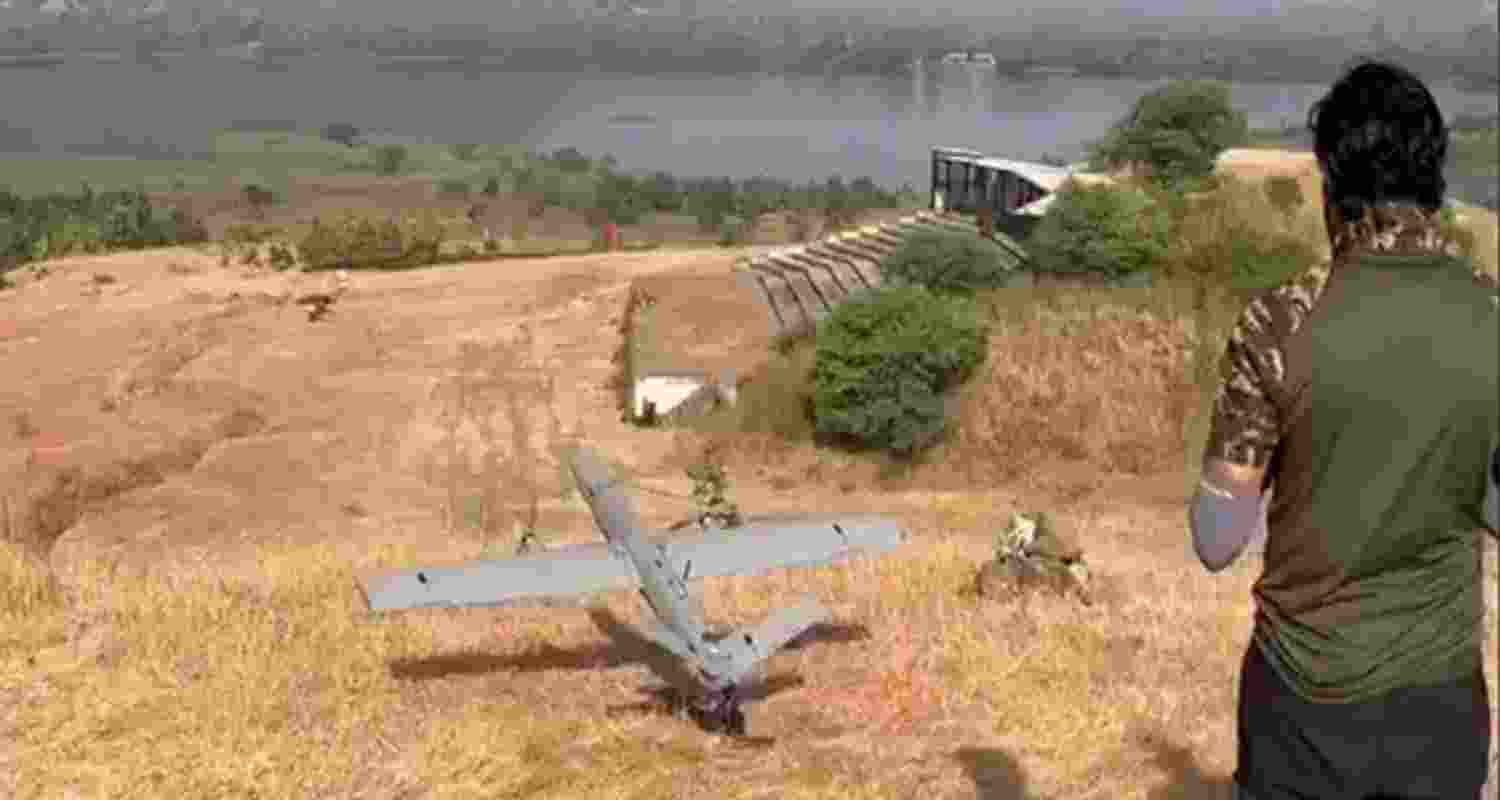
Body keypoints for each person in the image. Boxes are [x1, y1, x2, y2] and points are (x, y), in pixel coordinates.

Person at [1188, 59, 1499, 799]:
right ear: (1435, 181)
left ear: (1331, 182)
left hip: (1300, 701)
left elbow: (1216, 541)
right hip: (1441, 700)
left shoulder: (1280, 321)